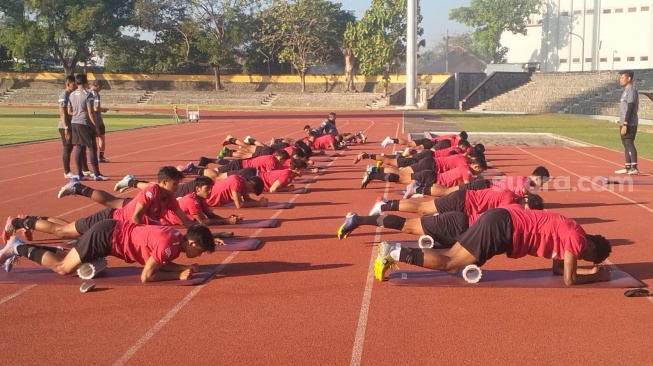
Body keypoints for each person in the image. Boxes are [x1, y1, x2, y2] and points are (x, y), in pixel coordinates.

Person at [373, 207, 613, 285]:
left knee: (450, 258)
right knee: (451, 265)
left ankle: (394, 251)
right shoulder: (576, 238)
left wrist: (590, 271)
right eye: (587, 258)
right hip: (502, 228)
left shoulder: (570, 232)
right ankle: (393, 251)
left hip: (499, 219)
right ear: (590, 245)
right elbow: (569, 279)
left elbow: (559, 271)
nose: (580, 258)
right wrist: (597, 277)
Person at [3, 167, 194, 240]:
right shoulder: (151, 191)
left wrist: (200, 235)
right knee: (62, 232)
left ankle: (28, 219)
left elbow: (186, 221)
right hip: (107, 220)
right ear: (163, 182)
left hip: (114, 225)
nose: (178, 188)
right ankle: (18, 223)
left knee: (69, 229)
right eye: (175, 184)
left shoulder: (168, 198)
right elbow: (135, 217)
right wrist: (143, 235)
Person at [0, 220, 216, 283]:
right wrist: (178, 274)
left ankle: (20, 249)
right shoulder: (168, 244)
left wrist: (184, 266)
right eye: (202, 252)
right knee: (64, 268)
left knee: (69, 259)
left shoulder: (176, 240)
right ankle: (17, 246)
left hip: (110, 232)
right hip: (105, 237)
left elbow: (159, 262)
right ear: (194, 244)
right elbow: (147, 276)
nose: (200, 256)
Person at [336, 194, 543, 246]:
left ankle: (361, 219)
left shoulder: (513, 208)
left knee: (410, 226)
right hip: (459, 224)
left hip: (460, 224)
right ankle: (358, 219)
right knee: (407, 226)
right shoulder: (514, 209)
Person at [58, 175, 243, 227]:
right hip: (139, 211)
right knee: (111, 203)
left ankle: (78, 187)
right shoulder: (182, 194)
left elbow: (191, 222)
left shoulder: (171, 195)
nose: (211, 191)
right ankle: (130, 181)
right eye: (175, 182)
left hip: (149, 209)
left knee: (111, 201)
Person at [68, 73, 108, 181]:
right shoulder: (88, 94)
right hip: (85, 122)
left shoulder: (71, 95)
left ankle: (80, 174)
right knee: (92, 148)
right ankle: (97, 174)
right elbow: (91, 112)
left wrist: (78, 113)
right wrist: (96, 126)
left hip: (74, 123)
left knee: (79, 148)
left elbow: (69, 111)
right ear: (86, 83)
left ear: (76, 83)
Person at [615, 70, 640, 175]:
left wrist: (625, 123)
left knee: (629, 143)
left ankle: (634, 168)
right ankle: (627, 166)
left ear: (628, 78)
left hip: (629, 123)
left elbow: (630, 107)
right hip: (623, 122)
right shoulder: (625, 90)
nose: (620, 79)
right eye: (620, 77)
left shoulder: (631, 91)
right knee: (625, 144)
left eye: (622, 77)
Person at [58, 76, 77, 178]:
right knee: (67, 147)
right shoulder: (64, 95)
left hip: (71, 124)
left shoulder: (71, 95)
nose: (75, 85)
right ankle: (67, 172)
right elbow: (62, 113)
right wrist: (65, 127)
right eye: (74, 84)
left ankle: (70, 171)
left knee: (71, 147)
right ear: (68, 84)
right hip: (65, 126)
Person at [90, 80, 110, 163]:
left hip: (87, 120)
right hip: (97, 119)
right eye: (100, 87)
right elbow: (96, 108)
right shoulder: (96, 94)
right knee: (101, 137)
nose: (100, 89)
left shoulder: (86, 92)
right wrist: (104, 109)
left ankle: (90, 157)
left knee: (90, 140)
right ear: (97, 86)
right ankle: (101, 157)